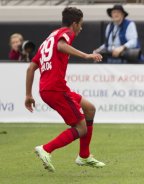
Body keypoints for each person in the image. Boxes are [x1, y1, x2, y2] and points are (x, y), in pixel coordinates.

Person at [25, 7, 105, 172]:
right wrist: (86, 55)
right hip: (56, 89)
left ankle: (84, 155)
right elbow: (62, 46)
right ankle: (46, 149)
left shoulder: (49, 38)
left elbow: (31, 68)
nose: (81, 28)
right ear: (74, 24)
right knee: (81, 128)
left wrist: (28, 94)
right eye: (81, 24)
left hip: (50, 89)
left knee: (89, 109)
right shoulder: (66, 33)